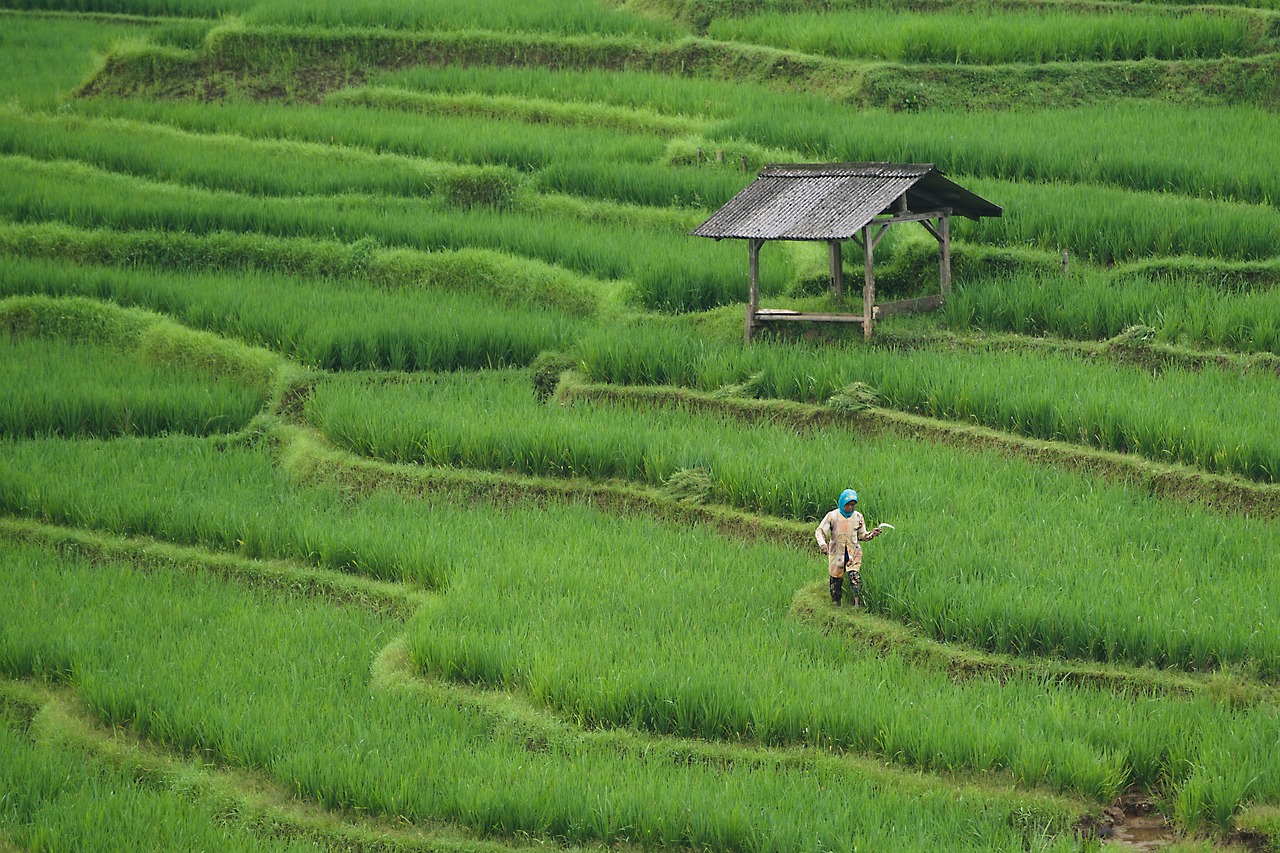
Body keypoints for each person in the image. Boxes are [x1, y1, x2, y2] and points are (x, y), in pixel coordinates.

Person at [815, 488, 880, 607]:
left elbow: (862, 535)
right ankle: (837, 605)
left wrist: (872, 534)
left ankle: (856, 605)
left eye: (853, 505)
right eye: (848, 505)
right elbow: (820, 531)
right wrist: (823, 544)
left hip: (853, 553)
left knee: (855, 578)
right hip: (837, 553)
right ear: (842, 503)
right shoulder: (832, 516)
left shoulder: (858, 517)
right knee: (836, 581)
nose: (850, 507)